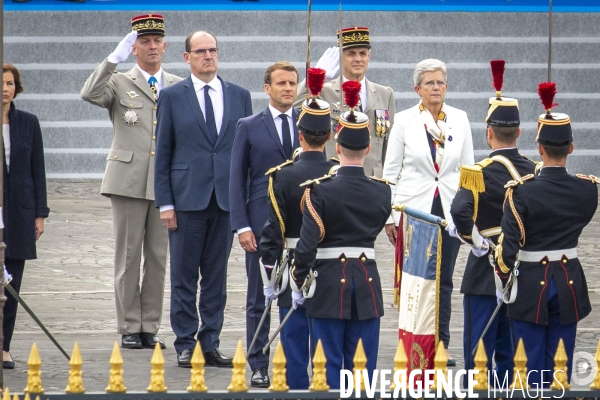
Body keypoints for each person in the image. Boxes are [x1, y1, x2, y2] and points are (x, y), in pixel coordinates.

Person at [81, 14, 182, 350]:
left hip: (165, 184)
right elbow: (90, 93)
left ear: (165, 46)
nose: (152, 47)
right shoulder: (120, 81)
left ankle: (149, 326)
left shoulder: (177, 84)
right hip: (127, 180)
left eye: (156, 41)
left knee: (157, 257)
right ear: (134, 47)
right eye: (144, 42)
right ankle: (128, 326)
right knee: (127, 257)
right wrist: (113, 59)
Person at [154, 30, 252, 367]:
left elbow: (244, 155)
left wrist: (245, 205)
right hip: (186, 200)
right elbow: (163, 152)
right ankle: (184, 342)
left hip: (225, 201)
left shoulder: (239, 96)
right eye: (200, 51)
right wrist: (165, 203)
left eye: (212, 50)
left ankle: (209, 342)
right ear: (187, 57)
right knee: (183, 276)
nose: (207, 56)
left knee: (215, 277)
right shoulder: (172, 96)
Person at [495, 82, 597, 387]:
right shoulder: (588, 190)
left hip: (530, 285)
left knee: (527, 368)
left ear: (539, 149)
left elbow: (507, 251)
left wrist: (503, 278)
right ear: (571, 147)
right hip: (568, 282)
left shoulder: (520, 192)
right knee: (560, 367)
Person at [292, 85, 391, 389]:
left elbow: (307, 245)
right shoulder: (382, 190)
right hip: (367, 280)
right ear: (368, 148)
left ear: (337, 145)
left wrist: (299, 280)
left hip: (328, 281)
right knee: (362, 366)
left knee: (327, 365)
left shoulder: (318, 190)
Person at [382, 58, 474, 366]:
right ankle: (413, 346)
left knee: (443, 281)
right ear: (417, 88)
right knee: (416, 281)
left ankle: (441, 345)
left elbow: (468, 171)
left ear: (447, 87)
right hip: (414, 211)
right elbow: (391, 172)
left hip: (449, 211)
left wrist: (467, 214)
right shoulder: (405, 120)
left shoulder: (460, 119)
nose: (435, 88)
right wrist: (390, 216)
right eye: (429, 83)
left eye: (440, 82)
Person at [449, 61, 535, 384]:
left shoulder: (478, 172)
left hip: (485, 273)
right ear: (519, 133)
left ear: (488, 132)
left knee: (477, 359)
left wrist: (476, 241)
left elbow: (459, 211)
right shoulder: (534, 171)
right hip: (523, 274)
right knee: (514, 360)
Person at [260, 69, 337, 389]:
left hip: (292, 267)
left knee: (293, 343)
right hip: (332, 269)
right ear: (330, 135)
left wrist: (269, 276)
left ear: (300, 134)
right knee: (327, 348)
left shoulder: (282, 175)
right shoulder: (337, 175)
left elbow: (272, 233)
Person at [229, 61, 300, 388]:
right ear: (267, 88)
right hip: (260, 224)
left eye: (292, 83)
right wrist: (241, 226)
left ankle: (296, 360)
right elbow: (236, 179)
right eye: (281, 83)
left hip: (300, 223)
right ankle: (258, 363)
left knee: (300, 294)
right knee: (260, 297)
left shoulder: (307, 122)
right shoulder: (249, 125)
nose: (288, 88)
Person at [295, 27, 395, 177]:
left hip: (374, 180)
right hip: (336, 178)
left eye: (363, 53)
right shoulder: (325, 91)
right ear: (340, 56)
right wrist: (316, 75)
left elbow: (389, 144)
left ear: (369, 55)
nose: (358, 59)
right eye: (351, 54)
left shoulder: (384, 94)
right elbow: (296, 104)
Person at [2, 64, 50, 369]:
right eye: (1, 83)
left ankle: (3, 347)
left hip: (18, 214)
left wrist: (40, 213)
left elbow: (38, 170)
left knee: (11, 284)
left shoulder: (28, 123)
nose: (5, 88)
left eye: (9, 83)